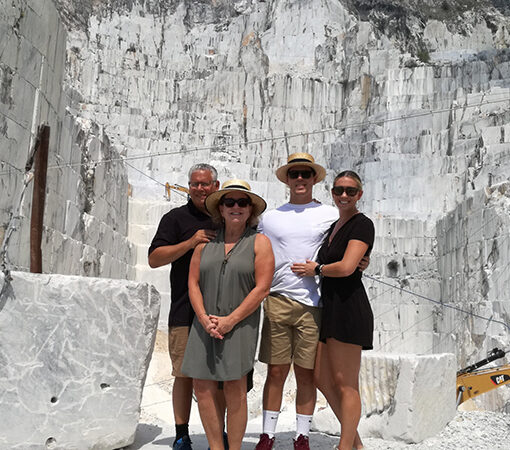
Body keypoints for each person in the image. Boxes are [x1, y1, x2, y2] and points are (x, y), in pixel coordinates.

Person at [181, 179, 274, 450]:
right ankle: (215, 447)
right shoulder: (204, 244)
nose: (236, 207)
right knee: (202, 386)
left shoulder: (260, 243)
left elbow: (262, 288)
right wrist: (203, 318)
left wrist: (230, 320)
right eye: (229, 202)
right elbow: (193, 283)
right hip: (204, 323)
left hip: (240, 325)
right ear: (220, 208)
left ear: (250, 210)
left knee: (235, 389)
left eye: (242, 202)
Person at [255, 153, 339, 450]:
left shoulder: (330, 214)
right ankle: (267, 435)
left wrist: (362, 259)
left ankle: (301, 435)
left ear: (314, 178)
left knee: (306, 373)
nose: (300, 179)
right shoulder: (270, 217)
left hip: (312, 304)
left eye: (305, 173)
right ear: (287, 179)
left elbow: (347, 241)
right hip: (277, 299)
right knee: (276, 371)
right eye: (295, 174)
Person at [291, 170, 374, 450]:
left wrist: (318, 269)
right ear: (332, 192)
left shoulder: (362, 224)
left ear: (359, 194)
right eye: (339, 190)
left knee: (345, 383)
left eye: (351, 191)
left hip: (349, 308)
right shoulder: (334, 226)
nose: (344, 195)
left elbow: (348, 266)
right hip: (331, 308)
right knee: (321, 378)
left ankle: (344, 446)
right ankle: (355, 444)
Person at [148, 163, 220, 450]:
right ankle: (181, 434)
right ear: (188, 186)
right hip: (183, 309)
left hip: (221, 311)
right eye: (194, 184)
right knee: (183, 374)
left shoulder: (229, 214)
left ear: (216, 186)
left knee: (221, 377)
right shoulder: (175, 219)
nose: (200, 189)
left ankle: (219, 432)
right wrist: (190, 242)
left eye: (205, 184)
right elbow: (154, 258)